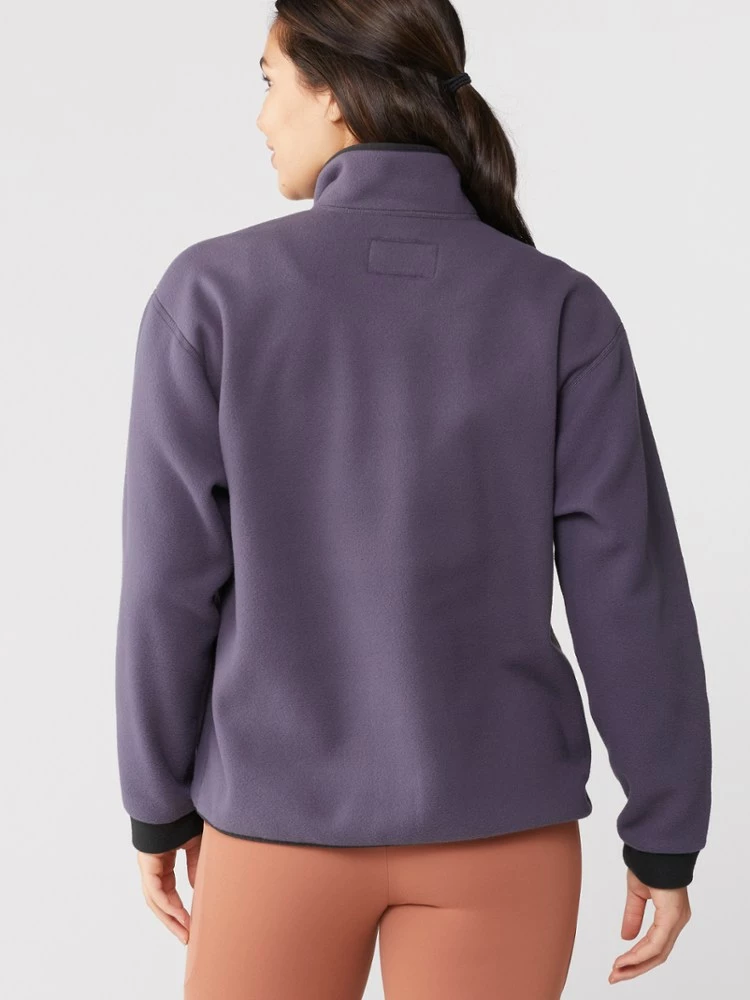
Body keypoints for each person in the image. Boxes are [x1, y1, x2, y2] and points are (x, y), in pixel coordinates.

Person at [115, 1, 712, 997]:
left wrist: (156, 802)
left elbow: (169, 585)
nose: (261, 116)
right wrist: (666, 828)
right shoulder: (561, 307)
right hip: (504, 833)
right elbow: (627, 589)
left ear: (335, 94)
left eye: (269, 81)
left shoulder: (211, 294)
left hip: (275, 831)